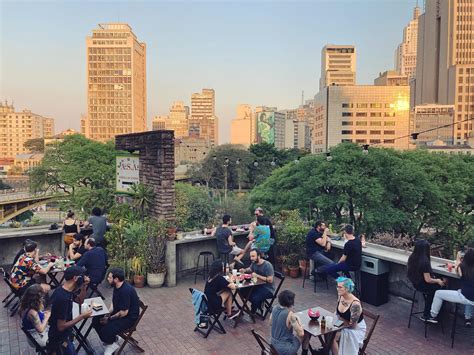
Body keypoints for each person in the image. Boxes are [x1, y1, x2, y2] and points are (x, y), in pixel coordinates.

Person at [92, 268, 140, 355]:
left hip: (128, 318)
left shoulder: (126, 291)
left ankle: (111, 344)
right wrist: (107, 314)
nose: (108, 279)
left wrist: (109, 319)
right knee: (96, 320)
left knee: (105, 330)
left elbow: (124, 312)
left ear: (116, 279)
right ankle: (111, 340)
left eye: (110, 278)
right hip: (120, 313)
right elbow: (113, 303)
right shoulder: (117, 286)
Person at [47, 266, 92, 354]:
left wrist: (84, 285)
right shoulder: (64, 299)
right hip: (60, 338)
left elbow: (80, 301)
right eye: (82, 276)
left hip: (63, 334)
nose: (85, 278)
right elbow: (61, 326)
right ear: (75, 278)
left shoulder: (65, 289)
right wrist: (82, 316)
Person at [430, 248, 474, 327]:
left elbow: (458, 269)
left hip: (465, 296)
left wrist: (458, 258)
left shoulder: (463, 267)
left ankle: (432, 315)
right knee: (470, 295)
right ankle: (468, 318)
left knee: (438, 293)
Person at [407, 239, 445, 321]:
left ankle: (429, 313)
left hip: (415, 283)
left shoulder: (412, 257)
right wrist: (438, 281)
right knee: (441, 289)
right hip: (423, 285)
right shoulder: (424, 261)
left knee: (436, 288)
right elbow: (428, 280)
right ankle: (429, 315)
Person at [332, 276, 366, 355]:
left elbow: (353, 326)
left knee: (333, 337)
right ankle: (329, 351)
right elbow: (337, 313)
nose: (338, 289)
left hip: (355, 329)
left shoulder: (355, 305)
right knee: (327, 331)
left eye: (340, 287)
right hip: (342, 323)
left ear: (347, 289)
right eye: (337, 286)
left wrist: (338, 324)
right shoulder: (340, 296)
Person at [239, 248, 275, 314]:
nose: (251, 258)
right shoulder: (254, 262)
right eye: (250, 256)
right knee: (241, 291)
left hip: (268, 288)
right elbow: (250, 269)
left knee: (254, 298)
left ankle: (253, 310)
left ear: (258, 256)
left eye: (253, 256)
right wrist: (244, 270)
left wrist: (257, 276)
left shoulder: (267, 265)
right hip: (257, 285)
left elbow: (270, 280)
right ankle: (259, 304)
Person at [270, 289, 304, 355]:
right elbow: (301, 333)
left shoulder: (274, 308)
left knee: (293, 336)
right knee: (303, 333)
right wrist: (299, 320)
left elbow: (270, 323)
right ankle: (305, 352)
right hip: (284, 349)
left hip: (273, 344)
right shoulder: (290, 314)